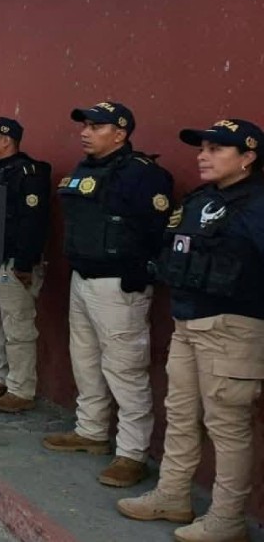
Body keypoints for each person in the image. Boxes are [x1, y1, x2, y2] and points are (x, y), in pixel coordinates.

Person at [117, 119, 264, 542]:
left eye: (217, 149)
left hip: (234, 327)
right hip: (187, 321)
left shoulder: (257, 204)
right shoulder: (202, 199)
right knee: (181, 415)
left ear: (248, 157)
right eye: (202, 147)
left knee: (227, 426)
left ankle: (227, 518)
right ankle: (172, 494)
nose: (203, 155)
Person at [43, 101, 173, 488]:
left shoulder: (142, 175)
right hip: (82, 278)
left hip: (119, 285)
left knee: (125, 368)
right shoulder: (85, 170)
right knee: (85, 359)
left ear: (120, 133)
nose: (85, 131)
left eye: (95, 126)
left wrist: (139, 274)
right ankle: (91, 431)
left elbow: (156, 230)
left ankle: (132, 454)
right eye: (84, 124)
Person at [0, 117, 51, 413]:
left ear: (6, 140)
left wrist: (25, 264)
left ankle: (21, 388)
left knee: (18, 325)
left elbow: (33, 221)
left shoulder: (27, 172)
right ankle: (3, 376)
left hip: (14, 262)